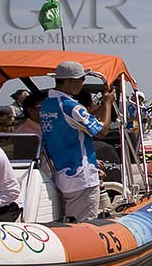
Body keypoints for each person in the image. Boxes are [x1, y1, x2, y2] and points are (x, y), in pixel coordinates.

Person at [39, 61, 107, 222]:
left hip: (62, 175)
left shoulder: (46, 105)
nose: (83, 84)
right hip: (82, 178)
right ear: (69, 81)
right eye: (81, 79)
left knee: (68, 222)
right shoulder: (71, 107)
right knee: (84, 226)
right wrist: (108, 103)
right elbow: (102, 132)